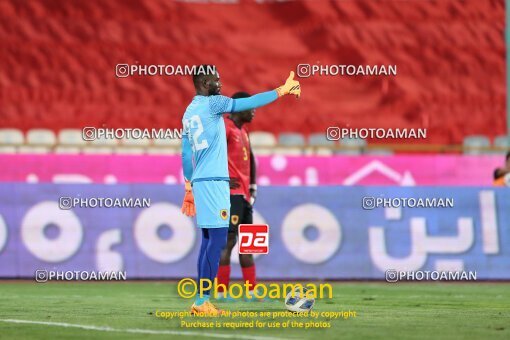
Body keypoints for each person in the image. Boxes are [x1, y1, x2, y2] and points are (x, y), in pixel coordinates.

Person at [181, 66, 300, 315]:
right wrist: (282, 90)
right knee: (217, 241)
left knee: (207, 241)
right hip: (215, 182)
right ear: (204, 82)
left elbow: (186, 154)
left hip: (202, 182)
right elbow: (251, 101)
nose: (220, 82)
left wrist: (189, 185)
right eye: (215, 79)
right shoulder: (213, 105)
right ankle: (203, 301)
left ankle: (201, 300)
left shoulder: (188, 113)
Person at [216, 92, 259, 301]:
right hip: (230, 196)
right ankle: (221, 292)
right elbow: (211, 154)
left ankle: (251, 292)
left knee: (249, 244)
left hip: (244, 196)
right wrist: (220, 179)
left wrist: (252, 186)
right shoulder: (224, 127)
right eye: (251, 107)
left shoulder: (244, 131)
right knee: (228, 242)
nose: (254, 111)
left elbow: (251, 158)